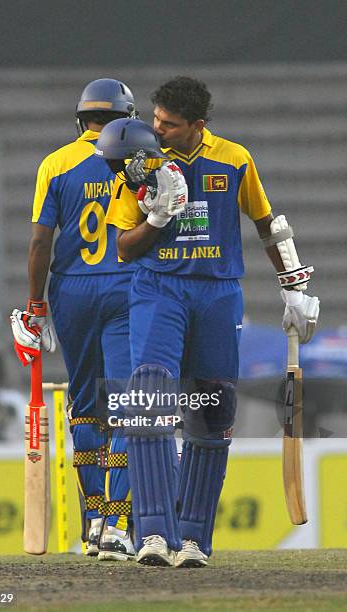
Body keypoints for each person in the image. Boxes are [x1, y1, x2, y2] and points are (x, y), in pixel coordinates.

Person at [98, 76, 320, 568]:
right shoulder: (139, 165)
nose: (157, 129)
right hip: (158, 288)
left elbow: (267, 223)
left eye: (169, 124)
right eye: (154, 119)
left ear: (197, 126)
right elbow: (122, 247)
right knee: (150, 398)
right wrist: (156, 219)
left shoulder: (234, 158)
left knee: (211, 410)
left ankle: (194, 538)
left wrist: (293, 287)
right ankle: (153, 533)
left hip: (217, 293)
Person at [10, 78, 144, 561]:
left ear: (81, 117)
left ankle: (91, 525)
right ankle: (117, 522)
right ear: (126, 116)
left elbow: (40, 241)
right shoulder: (136, 158)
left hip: (72, 292)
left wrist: (34, 304)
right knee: (131, 403)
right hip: (127, 285)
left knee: (87, 406)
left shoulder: (56, 163)